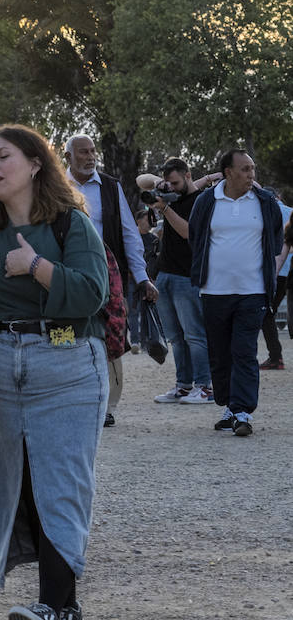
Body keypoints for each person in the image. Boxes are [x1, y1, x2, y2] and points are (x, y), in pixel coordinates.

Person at [0, 123, 109, 620]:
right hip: (4, 366)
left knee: (61, 481)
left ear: (35, 164)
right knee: (23, 482)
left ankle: (59, 605)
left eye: (3, 155)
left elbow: (92, 292)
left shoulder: (69, 223)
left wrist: (36, 267)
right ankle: (56, 600)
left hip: (68, 361)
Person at [187, 149, 283, 437]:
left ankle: (242, 411)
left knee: (244, 351)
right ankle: (229, 406)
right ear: (227, 172)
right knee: (219, 353)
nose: (251, 174)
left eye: (252, 169)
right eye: (244, 169)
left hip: (252, 291)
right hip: (214, 291)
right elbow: (195, 236)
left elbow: (276, 242)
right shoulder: (207, 201)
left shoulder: (265, 201)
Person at [63, 135, 157, 427]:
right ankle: (70, 397)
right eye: (83, 152)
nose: (90, 157)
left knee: (111, 336)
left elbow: (130, 235)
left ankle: (107, 405)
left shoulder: (110, 186)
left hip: (108, 275)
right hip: (66, 274)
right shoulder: (54, 186)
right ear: (68, 157)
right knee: (66, 334)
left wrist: (142, 278)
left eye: (93, 151)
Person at [140, 159, 217, 405]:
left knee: (194, 334)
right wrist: (160, 183)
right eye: (168, 183)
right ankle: (183, 386)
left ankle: (204, 387)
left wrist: (164, 209)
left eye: (175, 182)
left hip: (188, 276)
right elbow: (140, 181)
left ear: (188, 175)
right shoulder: (170, 193)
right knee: (175, 336)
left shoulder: (201, 200)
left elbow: (187, 232)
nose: (171, 187)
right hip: (166, 274)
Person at [258, 189, 292, 371]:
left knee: (267, 313)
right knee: (269, 312)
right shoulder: (290, 211)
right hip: (287, 272)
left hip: (274, 271)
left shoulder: (265, 212)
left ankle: (275, 357)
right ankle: (275, 356)